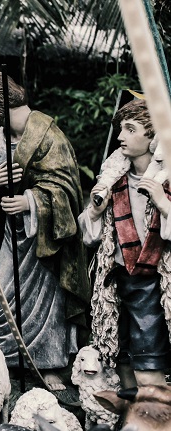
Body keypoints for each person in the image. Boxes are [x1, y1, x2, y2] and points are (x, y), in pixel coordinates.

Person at [0, 70, 90, 390]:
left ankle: (48, 364)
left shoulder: (49, 136)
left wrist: (30, 202)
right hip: (10, 236)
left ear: (2, 99)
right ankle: (8, 362)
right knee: (2, 295)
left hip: (42, 240)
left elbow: (67, 191)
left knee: (49, 304)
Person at [78, 98, 171, 388]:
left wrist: (163, 203)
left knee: (149, 365)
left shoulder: (165, 183)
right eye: (121, 129)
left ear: (153, 138)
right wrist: (94, 211)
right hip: (117, 283)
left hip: (155, 284)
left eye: (130, 129)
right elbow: (90, 235)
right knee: (122, 360)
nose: (120, 137)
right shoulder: (113, 182)